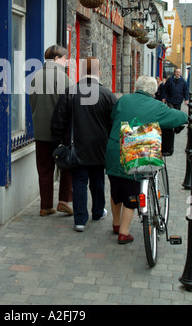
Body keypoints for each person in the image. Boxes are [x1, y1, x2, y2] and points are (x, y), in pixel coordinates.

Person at [105, 75, 188, 244]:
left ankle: (116, 223)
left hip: (115, 147)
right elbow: (178, 117)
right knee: (132, 191)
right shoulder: (157, 106)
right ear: (153, 91)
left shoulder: (123, 100)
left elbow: (113, 116)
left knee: (116, 188)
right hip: (137, 150)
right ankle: (124, 232)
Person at [51, 57, 117, 232]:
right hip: (100, 147)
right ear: (99, 72)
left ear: (81, 72)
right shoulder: (108, 95)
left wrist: (57, 141)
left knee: (79, 182)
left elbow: (58, 120)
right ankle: (97, 211)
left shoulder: (70, 92)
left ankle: (80, 220)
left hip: (76, 146)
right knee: (98, 181)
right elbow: (115, 124)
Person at [29, 45, 73, 217]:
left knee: (44, 169)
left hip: (41, 132)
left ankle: (45, 206)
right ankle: (64, 201)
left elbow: (33, 102)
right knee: (67, 166)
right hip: (61, 133)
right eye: (64, 57)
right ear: (56, 59)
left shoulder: (35, 77)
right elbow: (69, 107)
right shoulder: (64, 78)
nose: (66, 61)